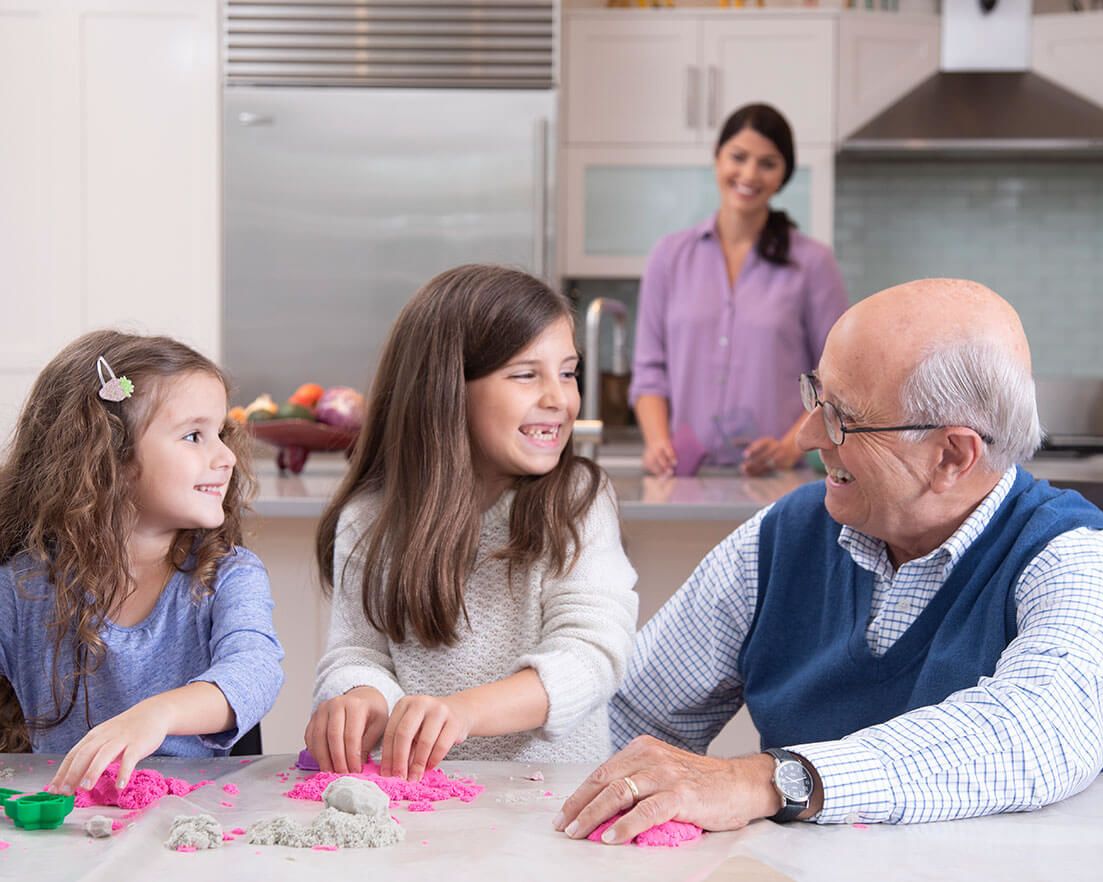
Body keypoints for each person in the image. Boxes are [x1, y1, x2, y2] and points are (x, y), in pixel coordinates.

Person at [556, 278, 1103, 842]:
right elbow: (629, 711)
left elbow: (1039, 729)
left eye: (843, 417)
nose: (808, 437)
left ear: (952, 454)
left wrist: (771, 780)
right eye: (816, 397)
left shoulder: (1082, 560)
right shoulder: (782, 536)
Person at [305, 264, 639, 780]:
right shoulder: (369, 519)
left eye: (568, 372)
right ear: (446, 389)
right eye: (527, 374)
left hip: (552, 804)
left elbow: (591, 655)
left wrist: (464, 712)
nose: (559, 398)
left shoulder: (577, 501)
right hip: (420, 806)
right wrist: (360, 694)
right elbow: (357, 653)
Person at [0, 330, 284, 793]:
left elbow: (255, 672)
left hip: (194, 826)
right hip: (68, 833)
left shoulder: (229, 575)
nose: (227, 456)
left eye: (221, 434)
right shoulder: (24, 588)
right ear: (108, 456)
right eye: (195, 436)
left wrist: (158, 714)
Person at [629, 103, 849, 477]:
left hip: (776, 480)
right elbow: (650, 370)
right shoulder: (669, 256)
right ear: (717, 158)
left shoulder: (813, 263)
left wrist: (787, 447)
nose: (749, 173)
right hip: (685, 477)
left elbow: (837, 378)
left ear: (783, 175)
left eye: (768, 163)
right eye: (738, 157)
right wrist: (656, 442)